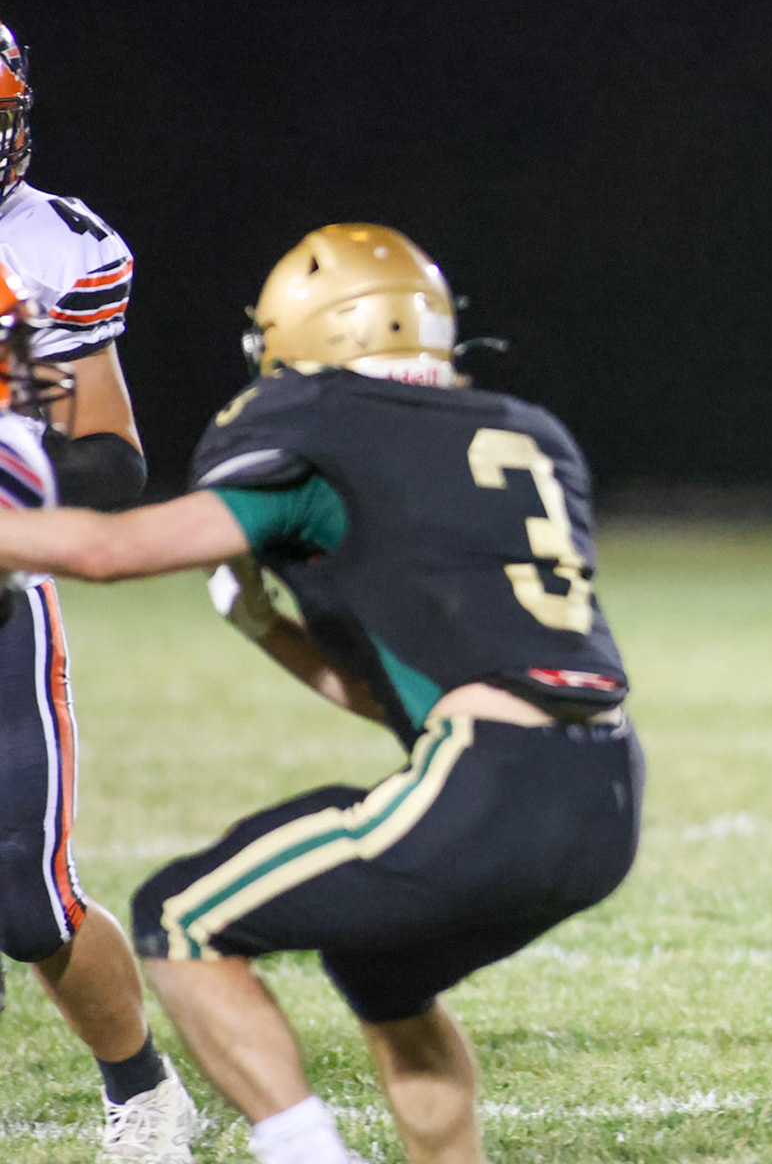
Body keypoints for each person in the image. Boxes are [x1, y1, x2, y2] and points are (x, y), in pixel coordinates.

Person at [0, 223, 643, 1164]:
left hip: (485, 781)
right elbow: (404, 699)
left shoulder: (318, 437)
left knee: (182, 917)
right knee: (384, 980)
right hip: (606, 791)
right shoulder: (527, 436)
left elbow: (105, 550)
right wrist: (267, 626)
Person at [0, 20, 197, 1161]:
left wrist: (18, 473)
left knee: (23, 896)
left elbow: (111, 457)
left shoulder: (52, 248)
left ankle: (144, 1089)